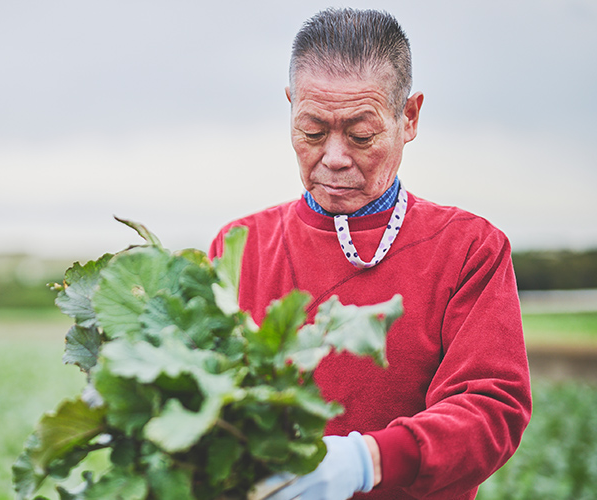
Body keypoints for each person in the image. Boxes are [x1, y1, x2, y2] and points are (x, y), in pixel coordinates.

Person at [208, 8, 531, 500]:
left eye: (361, 135)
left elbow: (491, 408)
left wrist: (368, 461)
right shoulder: (239, 248)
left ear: (409, 117)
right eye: (312, 131)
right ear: (291, 106)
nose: (334, 157)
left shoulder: (470, 249)